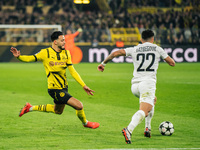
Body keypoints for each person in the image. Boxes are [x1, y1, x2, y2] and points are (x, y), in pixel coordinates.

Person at [97, 29, 175, 143]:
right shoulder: (157, 48)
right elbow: (172, 63)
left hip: (135, 86)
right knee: (144, 110)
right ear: (153, 39)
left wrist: (103, 63)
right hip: (147, 83)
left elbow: (115, 53)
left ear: (141, 39)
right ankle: (129, 129)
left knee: (153, 100)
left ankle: (147, 128)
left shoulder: (135, 48)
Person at [10, 31, 99, 129]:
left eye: (64, 40)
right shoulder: (45, 53)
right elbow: (30, 58)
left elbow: (73, 71)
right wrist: (19, 57)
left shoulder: (66, 53)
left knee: (58, 111)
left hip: (64, 88)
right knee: (79, 105)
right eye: (62, 40)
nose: (64, 42)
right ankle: (85, 123)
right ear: (55, 42)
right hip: (54, 89)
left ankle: (29, 108)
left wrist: (83, 85)